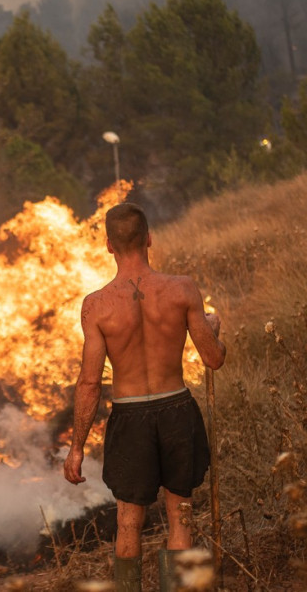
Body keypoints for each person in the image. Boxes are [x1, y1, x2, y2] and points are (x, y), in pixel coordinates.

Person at [64, 203, 225, 592]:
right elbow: (213, 359)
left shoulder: (97, 306)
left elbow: (89, 383)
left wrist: (76, 448)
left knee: (128, 523)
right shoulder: (183, 289)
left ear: (108, 245)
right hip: (176, 409)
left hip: (130, 416)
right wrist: (213, 329)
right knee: (180, 517)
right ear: (150, 237)